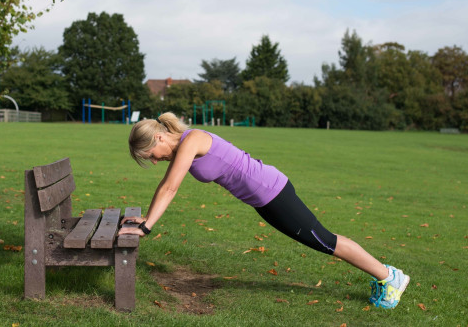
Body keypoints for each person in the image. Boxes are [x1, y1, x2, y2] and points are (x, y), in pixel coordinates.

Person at [118, 112, 410, 309]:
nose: (154, 161)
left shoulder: (191, 141)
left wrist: (146, 227)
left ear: (157, 139)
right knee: (322, 239)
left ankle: (389, 276)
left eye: (149, 156)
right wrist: (145, 218)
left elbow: (171, 187)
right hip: (263, 199)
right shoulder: (184, 144)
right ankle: (385, 275)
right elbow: (165, 184)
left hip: (273, 192)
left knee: (324, 241)